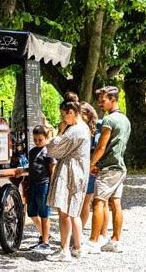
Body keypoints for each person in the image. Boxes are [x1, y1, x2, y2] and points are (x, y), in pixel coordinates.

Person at [45, 92, 91, 261]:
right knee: (74, 212)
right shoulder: (84, 127)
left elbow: (53, 149)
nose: (63, 119)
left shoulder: (74, 131)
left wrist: (57, 133)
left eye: (64, 116)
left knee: (64, 211)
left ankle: (64, 250)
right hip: (79, 172)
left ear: (71, 112)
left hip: (70, 172)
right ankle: (78, 248)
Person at [86, 86, 131, 254]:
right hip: (120, 167)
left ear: (113, 99)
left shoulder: (109, 121)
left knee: (98, 202)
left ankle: (93, 242)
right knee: (115, 203)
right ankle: (116, 241)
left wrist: (91, 164)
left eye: (103, 100)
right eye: (99, 100)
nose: (100, 103)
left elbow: (101, 146)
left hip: (108, 169)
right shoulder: (125, 120)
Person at [80, 102, 110, 237]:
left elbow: (103, 147)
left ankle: (102, 234)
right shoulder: (79, 127)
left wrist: (95, 164)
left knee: (100, 202)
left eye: (80, 115)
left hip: (95, 167)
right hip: (85, 167)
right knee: (86, 203)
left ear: (87, 114)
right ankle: (79, 233)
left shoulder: (101, 125)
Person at [27, 125, 57, 253]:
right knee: (32, 213)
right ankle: (45, 235)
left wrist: (52, 186)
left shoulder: (48, 152)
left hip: (43, 184)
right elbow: (31, 168)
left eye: (40, 139)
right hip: (32, 184)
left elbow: (52, 169)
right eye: (35, 139)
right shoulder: (32, 151)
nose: (37, 142)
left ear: (46, 138)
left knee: (44, 214)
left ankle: (45, 242)